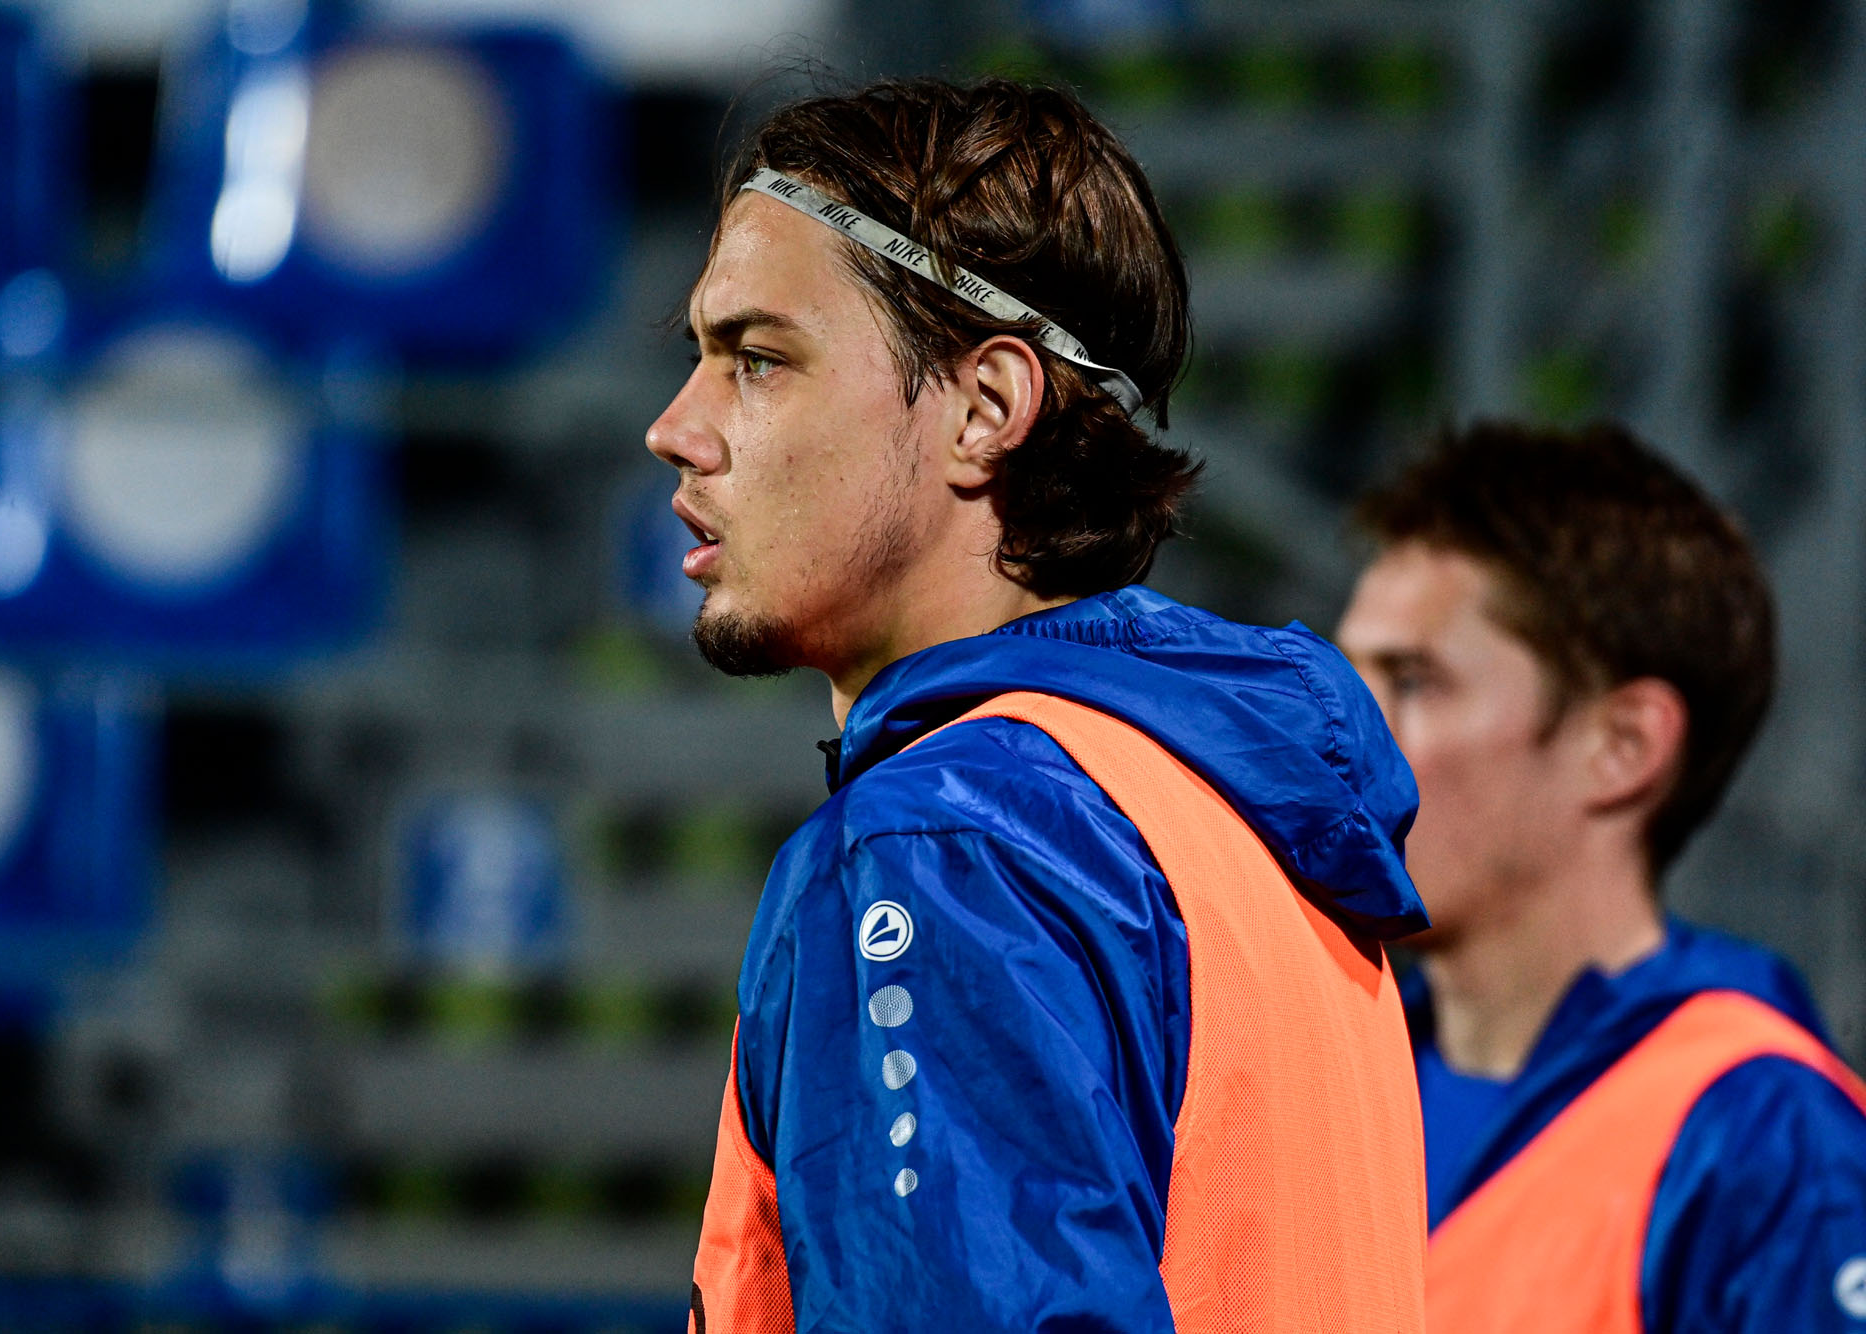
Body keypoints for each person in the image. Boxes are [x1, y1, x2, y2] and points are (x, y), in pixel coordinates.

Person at [645, 77, 1429, 1333]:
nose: (675, 426)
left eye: (759, 359)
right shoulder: (1229, 819)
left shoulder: (947, 843)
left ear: (985, 408)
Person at [1336, 420, 1866, 1333]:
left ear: (1622, 747)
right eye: (1343, 677)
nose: (1337, 732)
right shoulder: (1320, 1079)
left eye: (1413, 681)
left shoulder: (1770, 1143)